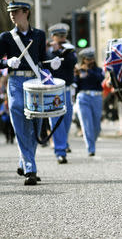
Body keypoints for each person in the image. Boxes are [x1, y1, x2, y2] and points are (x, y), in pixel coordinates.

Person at [0, 0, 61, 185]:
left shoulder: (39, 35)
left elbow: (42, 60)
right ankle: (30, 169)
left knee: (35, 126)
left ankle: (25, 161)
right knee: (19, 119)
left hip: (36, 82)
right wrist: (6, 62)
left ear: (26, 12)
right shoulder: (6, 37)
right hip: (16, 83)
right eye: (10, 12)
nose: (11, 15)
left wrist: (52, 63)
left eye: (15, 12)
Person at [46, 23, 77, 164]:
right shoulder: (47, 50)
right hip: (54, 90)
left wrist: (61, 52)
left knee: (67, 120)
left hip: (67, 89)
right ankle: (60, 151)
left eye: (64, 36)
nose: (62, 38)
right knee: (56, 121)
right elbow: (44, 64)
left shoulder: (69, 49)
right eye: (59, 36)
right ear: (53, 37)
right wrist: (53, 52)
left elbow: (72, 62)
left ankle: (63, 144)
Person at [75, 48, 104, 156]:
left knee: (97, 126)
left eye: (92, 58)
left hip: (96, 97)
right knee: (87, 124)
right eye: (88, 59)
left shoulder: (98, 70)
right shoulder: (79, 70)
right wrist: (77, 75)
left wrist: (88, 70)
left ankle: (92, 141)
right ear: (83, 59)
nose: (90, 61)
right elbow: (76, 85)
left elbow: (100, 79)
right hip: (83, 97)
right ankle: (90, 148)